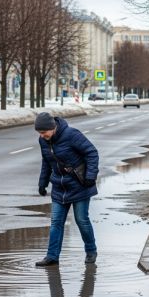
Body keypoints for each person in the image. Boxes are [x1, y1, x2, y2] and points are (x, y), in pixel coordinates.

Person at [35, 112, 99, 266]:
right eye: (39, 133)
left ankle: (91, 251)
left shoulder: (71, 135)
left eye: (44, 132)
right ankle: (52, 256)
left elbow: (92, 153)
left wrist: (91, 176)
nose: (42, 136)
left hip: (79, 185)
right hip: (59, 187)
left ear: (53, 127)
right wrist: (42, 183)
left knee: (81, 220)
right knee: (56, 222)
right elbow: (47, 162)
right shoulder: (43, 141)